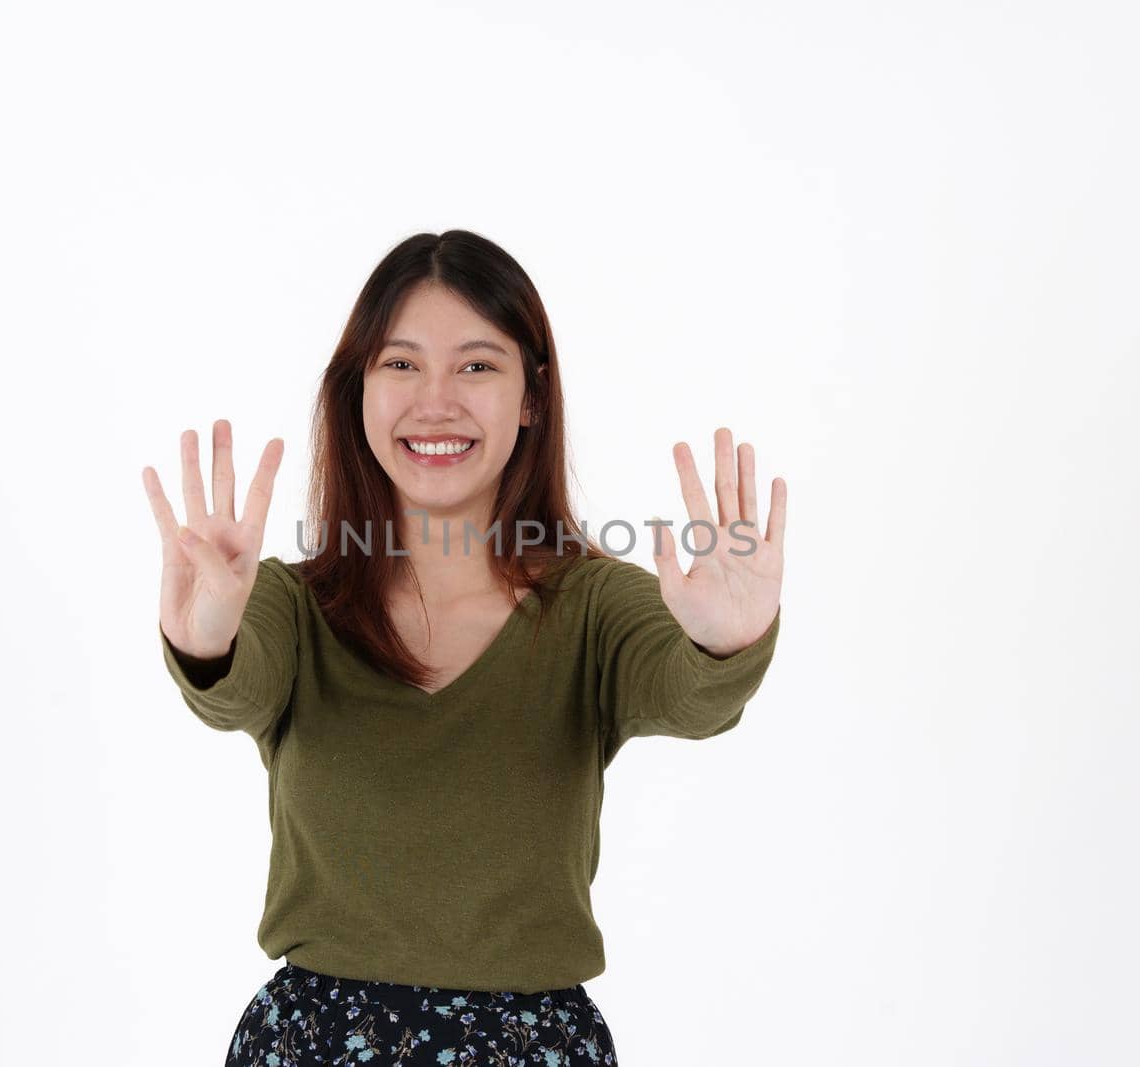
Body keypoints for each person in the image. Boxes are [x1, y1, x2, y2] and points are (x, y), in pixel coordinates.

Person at [140, 230, 786, 1065]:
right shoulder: (293, 605)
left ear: (531, 398)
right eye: (400, 364)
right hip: (313, 1045)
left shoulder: (592, 608)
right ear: (358, 391)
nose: (435, 401)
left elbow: (689, 692)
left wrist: (727, 642)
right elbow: (237, 684)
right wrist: (205, 638)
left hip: (527, 1046)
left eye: (477, 365)